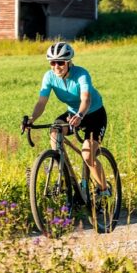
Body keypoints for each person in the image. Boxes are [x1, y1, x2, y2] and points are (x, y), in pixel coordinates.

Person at [22, 41, 110, 196]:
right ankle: (63, 175)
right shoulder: (49, 77)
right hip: (73, 114)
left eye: (61, 62)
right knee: (55, 132)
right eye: (53, 62)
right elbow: (42, 102)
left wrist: (80, 115)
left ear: (68, 62)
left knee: (88, 154)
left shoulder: (81, 74)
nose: (56, 66)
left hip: (93, 115)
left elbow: (86, 100)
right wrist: (31, 119)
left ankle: (104, 190)